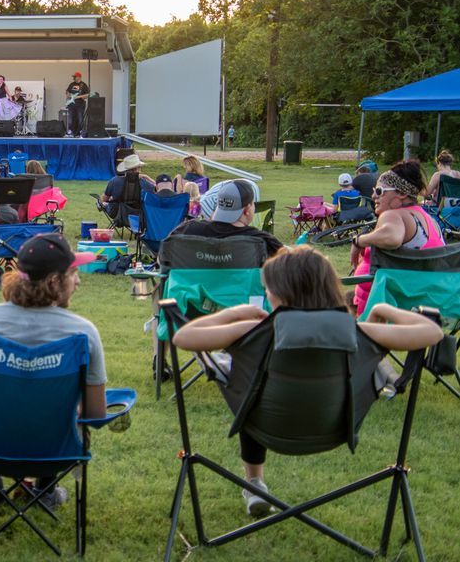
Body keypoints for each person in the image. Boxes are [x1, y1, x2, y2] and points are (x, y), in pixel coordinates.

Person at [172, 246, 443, 518]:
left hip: (264, 427)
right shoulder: (356, 331)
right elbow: (431, 331)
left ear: (281, 293)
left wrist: (236, 313)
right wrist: (383, 308)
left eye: (269, 289)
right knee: (254, 389)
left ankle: (254, 483)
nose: (266, 294)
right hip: (334, 430)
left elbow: (183, 337)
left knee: (250, 390)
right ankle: (254, 486)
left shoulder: (255, 330)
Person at [0, 233, 106, 509]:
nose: (78, 281)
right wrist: (57, 406)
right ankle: (45, 491)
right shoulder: (83, 333)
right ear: (54, 281)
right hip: (56, 452)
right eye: (74, 273)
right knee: (59, 413)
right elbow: (95, 414)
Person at [350, 160, 444, 316]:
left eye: (380, 191)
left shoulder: (393, 215)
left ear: (401, 194)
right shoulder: (429, 219)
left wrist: (359, 241)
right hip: (422, 308)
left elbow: (392, 237)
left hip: (383, 314)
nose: (373, 195)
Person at [168, 179, 283, 258]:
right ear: (247, 210)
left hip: (198, 293)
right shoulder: (263, 241)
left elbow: (162, 259)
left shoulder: (187, 230)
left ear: (218, 206)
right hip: (242, 293)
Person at [65, 72, 90, 136]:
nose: (74, 78)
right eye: (74, 77)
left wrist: (79, 97)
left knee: (80, 119)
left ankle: (81, 132)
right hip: (71, 105)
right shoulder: (72, 84)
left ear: (79, 77)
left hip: (80, 105)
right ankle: (71, 132)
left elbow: (87, 94)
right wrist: (68, 94)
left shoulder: (83, 85)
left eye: (75, 77)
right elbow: (67, 91)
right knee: (70, 119)